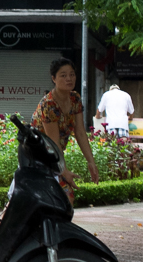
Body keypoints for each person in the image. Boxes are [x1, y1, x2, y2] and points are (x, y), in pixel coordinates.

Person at [31, 57, 100, 204]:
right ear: (53, 79)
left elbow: (80, 132)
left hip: (54, 158)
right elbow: (53, 142)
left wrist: (91, 162)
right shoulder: (49, 104)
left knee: (63, 199)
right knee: (62, 197)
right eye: (63, 75)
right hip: (37, 158)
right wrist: (63, 171)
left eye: (72, 74)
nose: (69, 78)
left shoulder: (75, 99)